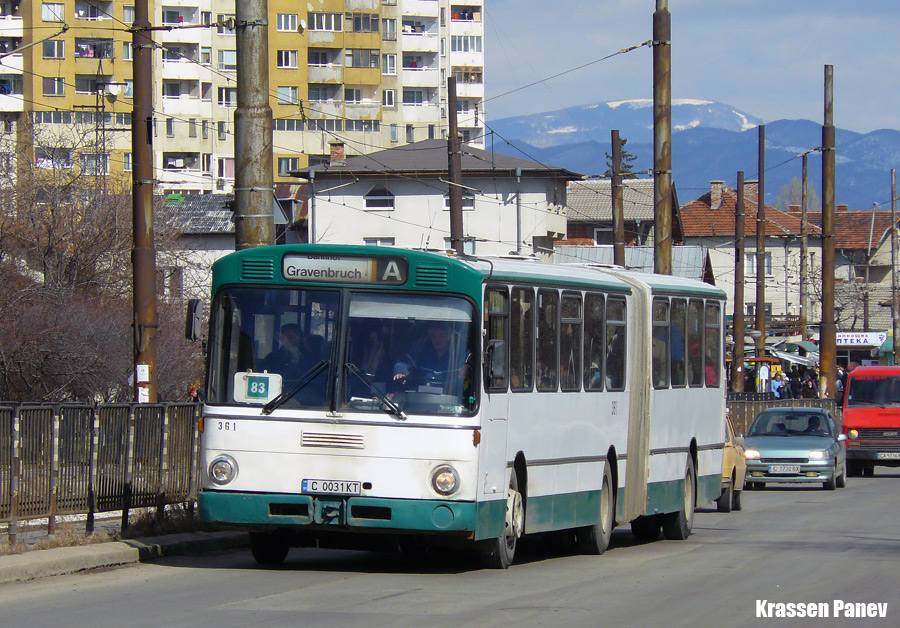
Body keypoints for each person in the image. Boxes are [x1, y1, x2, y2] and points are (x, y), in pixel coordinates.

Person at [393, 321, 467, 390]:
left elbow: (468, 368)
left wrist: (465, 371)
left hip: (449, 395)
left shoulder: (458, 354)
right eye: (433, 336)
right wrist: (400, 372)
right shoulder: (420, 351)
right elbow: (403, 362)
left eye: (441, 335)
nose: (437, 339)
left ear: (448, 337)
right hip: (420, 396)